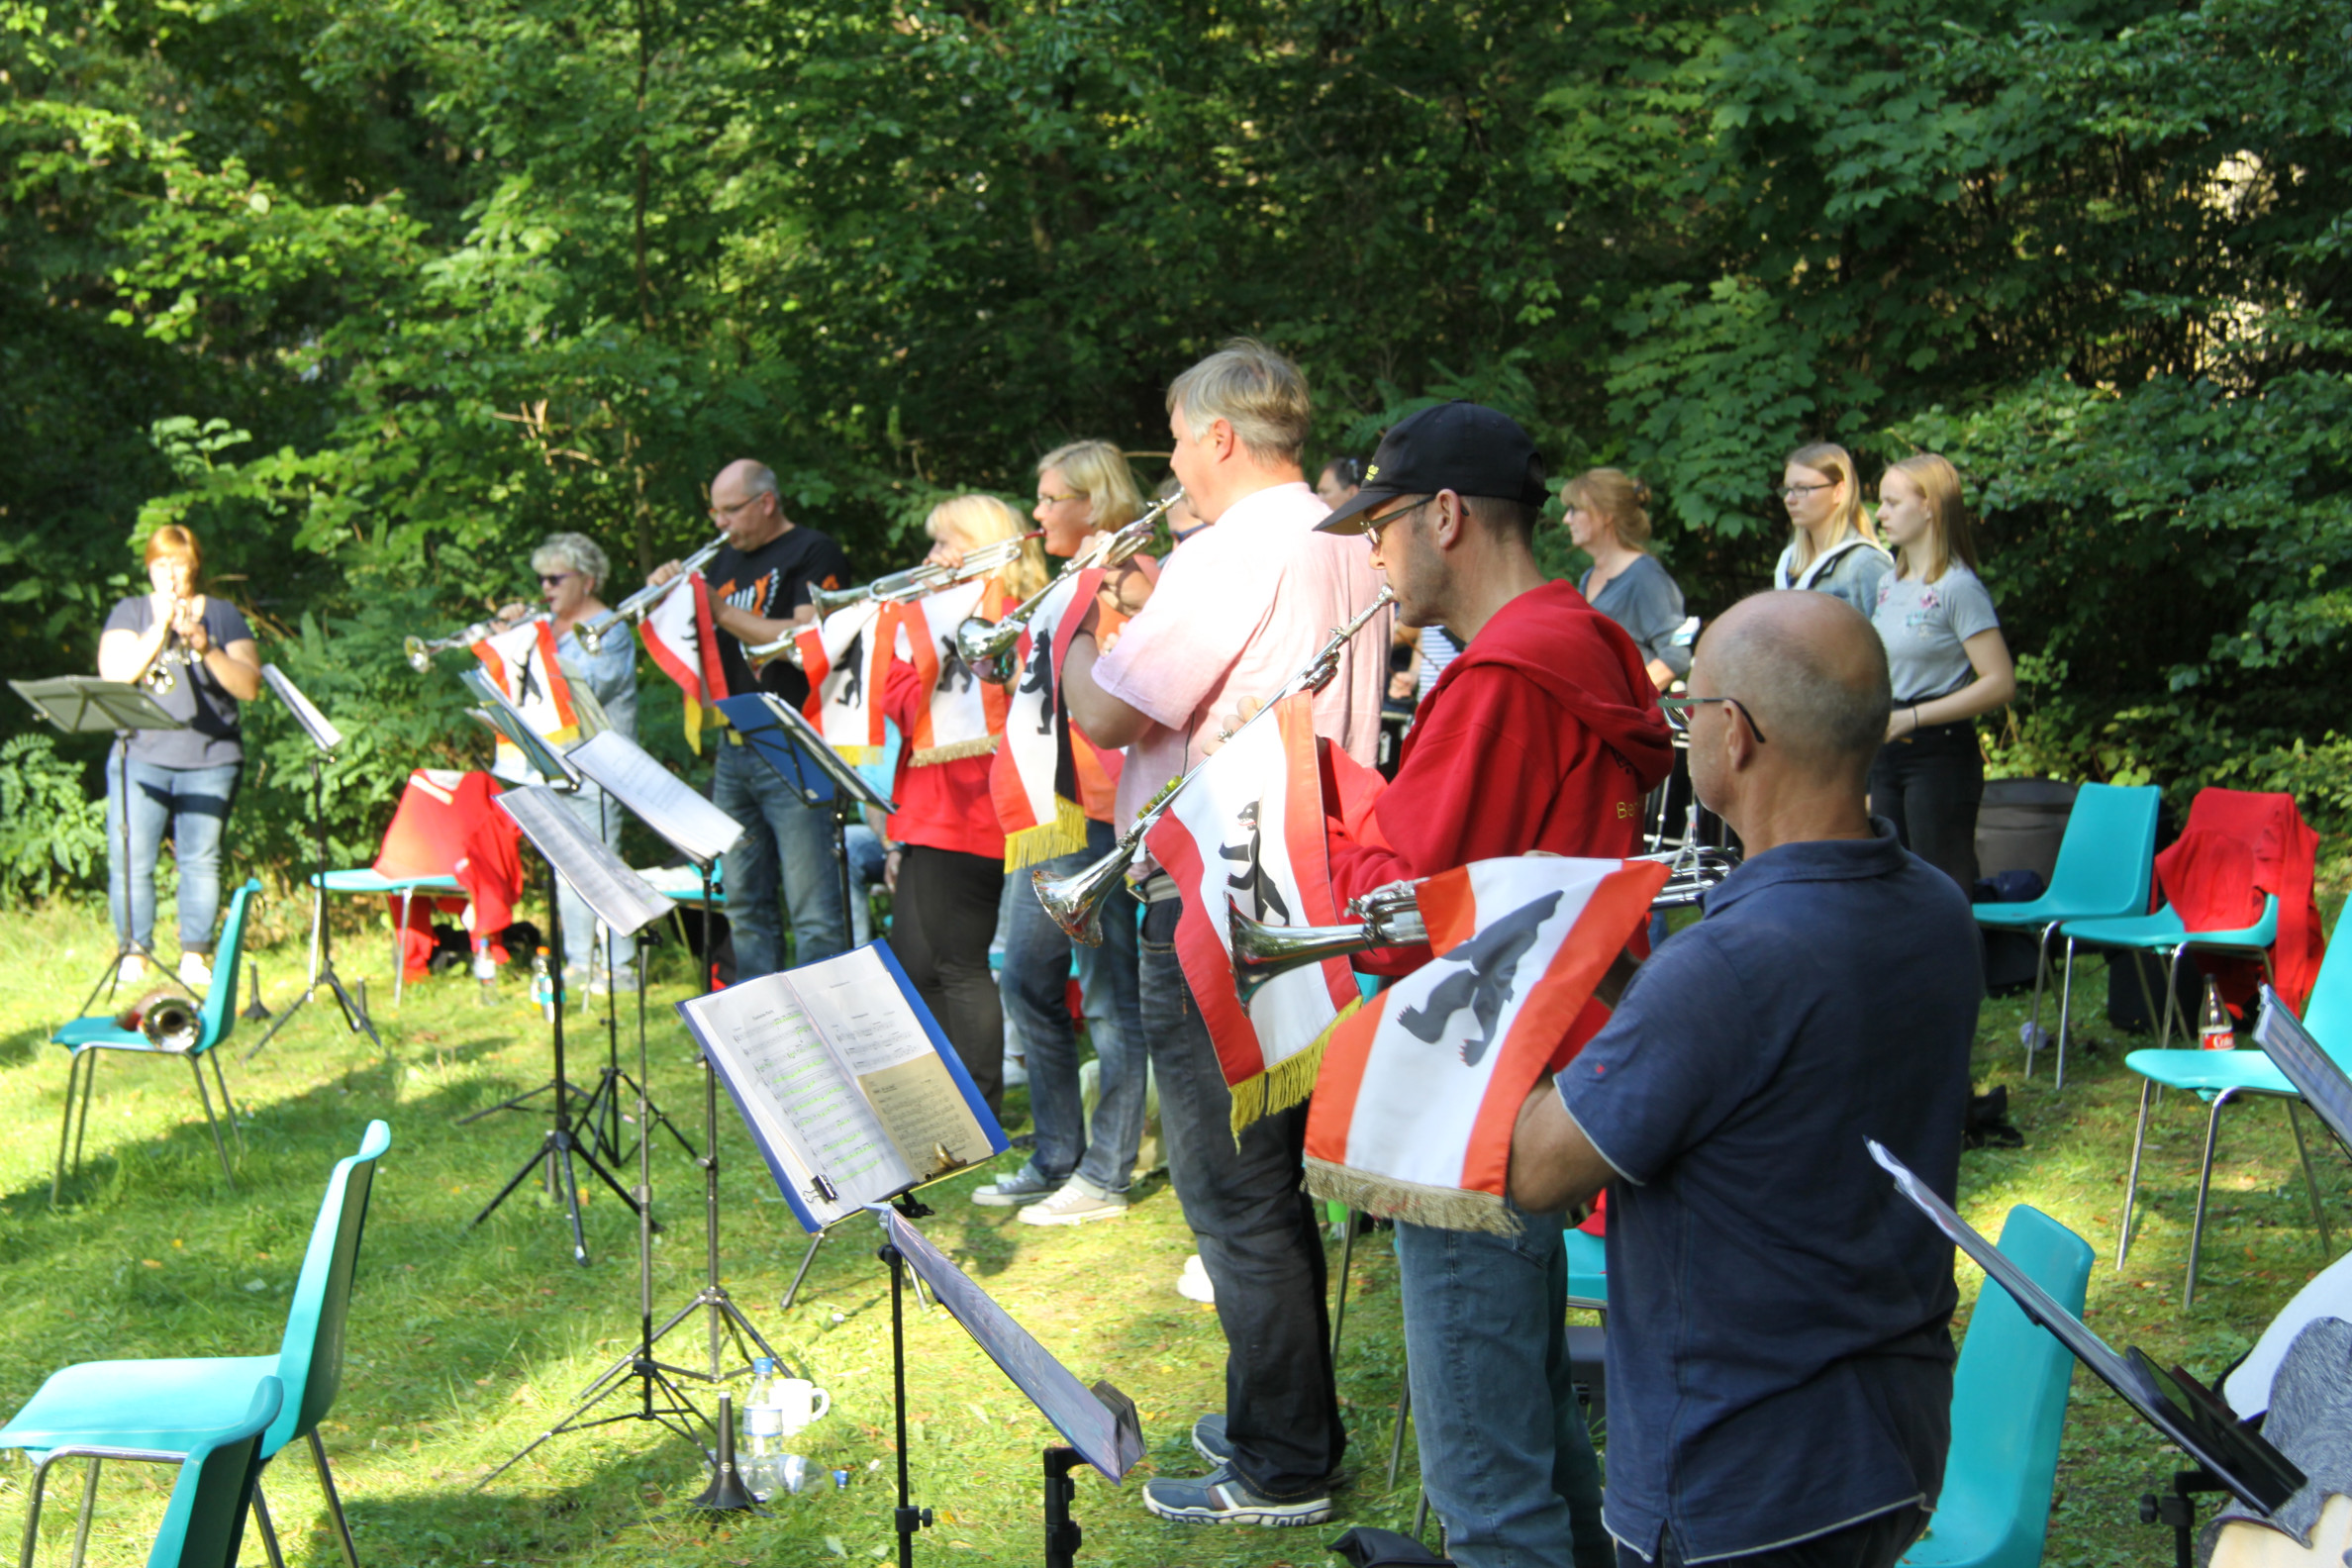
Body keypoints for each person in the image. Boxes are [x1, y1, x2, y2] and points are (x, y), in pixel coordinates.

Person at [1508, 590, 1981, 1568]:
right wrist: (1619, 978)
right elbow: (1766, 1074)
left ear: (1735, 732)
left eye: (1689, 712)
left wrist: (1493, 994)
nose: (1685, 733)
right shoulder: (1938, 908)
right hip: (1889, 1439)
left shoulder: (1726, 966)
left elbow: (1536, 1169)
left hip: (1737, 1474)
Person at [1312, 403, 1674, 1568]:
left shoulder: (1502, 681)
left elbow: (1390, 921)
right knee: (1538, 1440)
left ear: (1445, 517)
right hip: (1547, 1072)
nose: (1374, 554)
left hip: (1475, 1094)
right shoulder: (1585, 641)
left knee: (1489, 1495)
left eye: (1381, 527)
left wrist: (1322, 804)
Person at [1061, 338, 1386, 1527]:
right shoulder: (1348, 533)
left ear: (1217, 435)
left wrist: (1081, 625)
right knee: (1269, 1182)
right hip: (1310, 874)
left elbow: (1109, 715)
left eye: (1175, 440)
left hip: (1215, 887)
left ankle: (1283, 1464)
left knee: (1231, 1192)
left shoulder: (1228, 548)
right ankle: (1285, 1419)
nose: (1172, 466)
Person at [973, 441, 1153, 1226]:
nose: (1039, 512)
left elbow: (1128, 684)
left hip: (1098, 804)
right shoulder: (1065, 577)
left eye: (1052, 498)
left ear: (1094, 500)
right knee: (1025, 978)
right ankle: (1056, 1155)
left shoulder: (1131, 576)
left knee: (1110, 997)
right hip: (1046, 805)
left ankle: (1106, 1172)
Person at [650, 459, 853, 978]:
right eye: (714, 513)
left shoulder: (813, 551)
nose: (721, 524)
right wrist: (670, 596)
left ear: (766, 502)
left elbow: (807, 643)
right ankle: (765, 1020)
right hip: (735, 747)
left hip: (795, 744)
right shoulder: (723, 563)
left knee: (813, 910)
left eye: (731, 510)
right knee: (743, 904)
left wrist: (718, 609)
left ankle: (828, 1017)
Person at [878, 494, 1045, 1116]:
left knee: (958, 963)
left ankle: (978, 1106)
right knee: (916, 964)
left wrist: (904, 645)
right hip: (925, 812)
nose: (930, 557)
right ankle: (946, 1099)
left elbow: (907, 704)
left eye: (944, 543)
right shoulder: (935, 620)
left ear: (981, 548)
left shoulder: (1002, 619)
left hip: (968, 812)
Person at [95, 525, 262, 988]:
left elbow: (249, 686)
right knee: (131, 857)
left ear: (195, 567)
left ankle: (195, 954)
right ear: (149, 568)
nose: (170, 575)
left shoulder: (223, 615)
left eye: (179, 565)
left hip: (210, 757)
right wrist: (159, 629)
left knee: (200, 859)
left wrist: (206, 646)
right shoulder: (130, 612)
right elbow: (114, 678)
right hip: (141, 755)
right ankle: (134, 953)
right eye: (160, 565)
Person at [493, 532, 641, 990]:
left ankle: (620, 966)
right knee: (567, 869)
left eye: (555, 578)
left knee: (603, 866)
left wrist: (531, 643)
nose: (545, 588)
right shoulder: (543, 628)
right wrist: (509, 643)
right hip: (553, 765)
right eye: (541, 579)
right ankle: (579, 963)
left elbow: (583, 690)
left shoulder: (608, 628)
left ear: (588, 580)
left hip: (598, 768)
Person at [1869, 454, 2015, 892]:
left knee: (1940, 885)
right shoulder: (1889, 583)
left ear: (1929, 506)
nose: (1880, 514)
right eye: (1881, 502)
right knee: (1890, 883)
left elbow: (2000, 682)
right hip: (1887, 750)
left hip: (1939, 754)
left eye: (1892, 502)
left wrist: (1913, 717)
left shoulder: (1957, 586)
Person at [1567, 467, 1689, 690]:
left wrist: (1627, 700)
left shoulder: (1645, 575)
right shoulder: (1588, 577)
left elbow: (1676, 655)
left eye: (1575, 510)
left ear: (1605, 515)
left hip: (1634, 712)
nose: (1567, 519)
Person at [1773, 441, 1892, 617]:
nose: (1789, 499)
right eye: (1787, 489)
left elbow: (1889, 631)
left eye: (1802, 488)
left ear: (1839, 491)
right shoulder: (1789, 562)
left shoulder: (1865, 564)